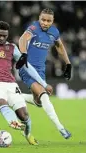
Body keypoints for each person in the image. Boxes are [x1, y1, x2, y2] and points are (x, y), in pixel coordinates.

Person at [16, 8, 72, 139]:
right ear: (39, 19)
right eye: (43, 20)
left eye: (49, 21)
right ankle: (61, 128)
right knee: (44, 94)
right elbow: (22, 39)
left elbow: (59, 46)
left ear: (53, 21)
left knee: (39, 102)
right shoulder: (34, 28)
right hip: (27, 67)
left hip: (40, 70)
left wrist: (68, 63)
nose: (45, 23)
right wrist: (23, 54)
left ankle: (14, 96)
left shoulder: (54, 32)